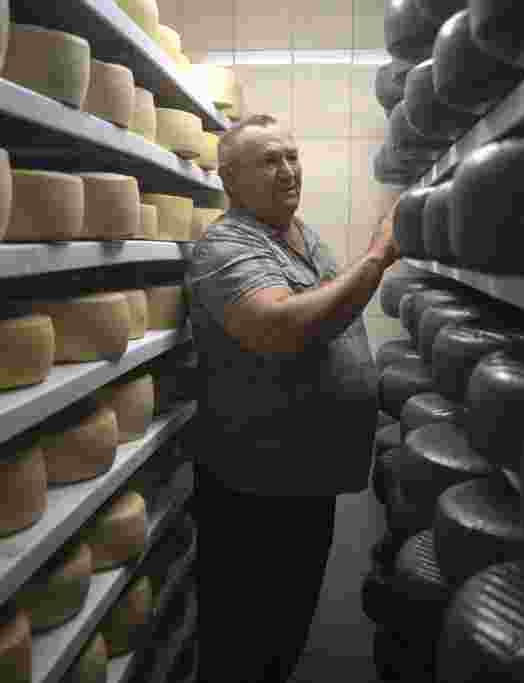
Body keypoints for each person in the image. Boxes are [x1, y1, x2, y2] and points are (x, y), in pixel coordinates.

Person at [185, 113, 400, 683]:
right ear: (230, 182)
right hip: (254, 491)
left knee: (284, 636)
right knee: (245, 645)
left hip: (304, 481)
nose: (287, 171)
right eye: (268, 161)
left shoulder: (301, 237)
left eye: (291, 156)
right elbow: (279, 327)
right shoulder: (224, 248)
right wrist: (378, 254)